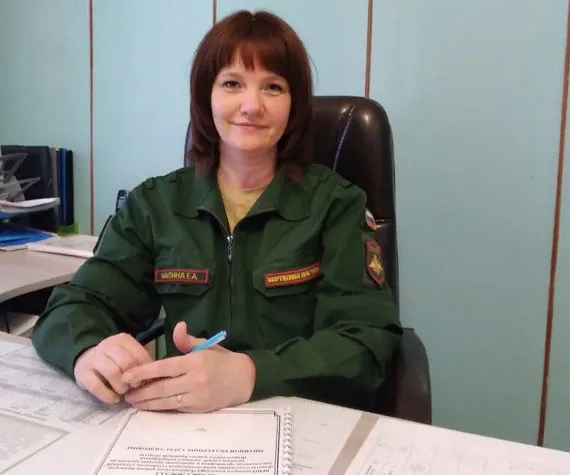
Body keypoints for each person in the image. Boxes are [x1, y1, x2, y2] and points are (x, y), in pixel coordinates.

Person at [31, 9, 402, 414]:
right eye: (232, 84)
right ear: (205, 96)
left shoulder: (337, 205)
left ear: (293, 105)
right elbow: (73, 306)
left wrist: (251, 373)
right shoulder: (155, 206)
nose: (251, 105)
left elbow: (367, 341)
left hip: (300, 421)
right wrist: (88, 350)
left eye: (273, 87)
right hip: (181, 426)